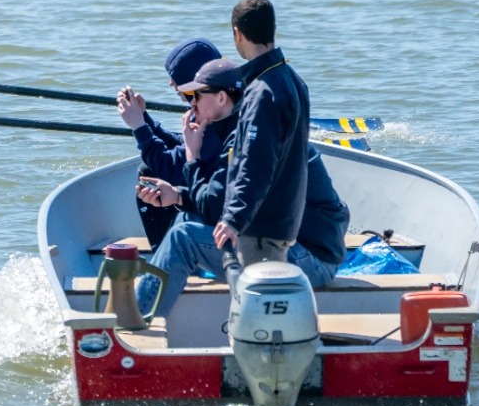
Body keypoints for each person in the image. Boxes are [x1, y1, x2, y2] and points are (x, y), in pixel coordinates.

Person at [134, 55, 348, 317]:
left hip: (310, 259)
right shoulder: (241, 128)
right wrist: (178, 195)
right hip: (287, 245)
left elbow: (215, 208)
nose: (191, 105)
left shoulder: (246, 138)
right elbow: (226, 200)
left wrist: (192, 156)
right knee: (185, 218)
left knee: (183, 239)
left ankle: (135, 322)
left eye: (197, 96)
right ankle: (170, 295)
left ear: (222, 98)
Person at [211, 0, 310, 278]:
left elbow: (255, 165)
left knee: (258, 311)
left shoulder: (262, 93)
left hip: (260, 230)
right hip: (282, 222)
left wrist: (232, 219)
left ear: (237, 34)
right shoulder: (292, 80)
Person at [116, 38, 221, 247]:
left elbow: (169, 167)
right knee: (148, 170)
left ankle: (165, 257)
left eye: (175, 81)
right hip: (209, 197)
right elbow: (182, 145)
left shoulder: (216, 119)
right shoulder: (211, 104)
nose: (170, 84)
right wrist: (145, 119)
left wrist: (138, 127)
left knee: (150, 175)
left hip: (216, 210)